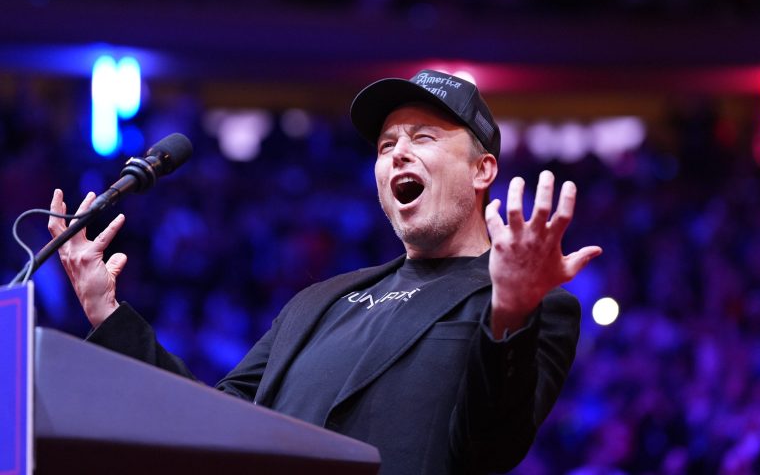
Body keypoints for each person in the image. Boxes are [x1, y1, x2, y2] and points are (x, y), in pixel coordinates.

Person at [48, 69, 602, 474]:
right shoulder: (319, 302)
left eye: (424, 138)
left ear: (483, 170)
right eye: (386, 146)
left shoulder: (533, 305)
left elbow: (489, 449)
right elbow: (209, 421)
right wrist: (106, 310)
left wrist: (509, 312)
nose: (398, 155)